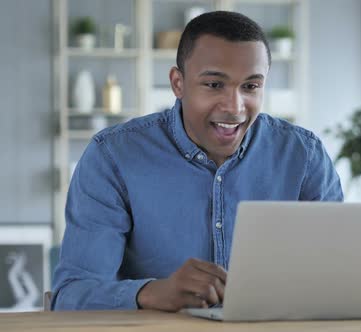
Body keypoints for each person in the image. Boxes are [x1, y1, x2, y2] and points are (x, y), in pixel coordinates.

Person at [51, 11, 343, 311]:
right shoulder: (112, 156)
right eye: (214, 85)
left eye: (251, 86)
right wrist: (152, 293)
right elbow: (71, 297)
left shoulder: (304, 155)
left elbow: (342, 275)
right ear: (178, 83)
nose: (234, 107)